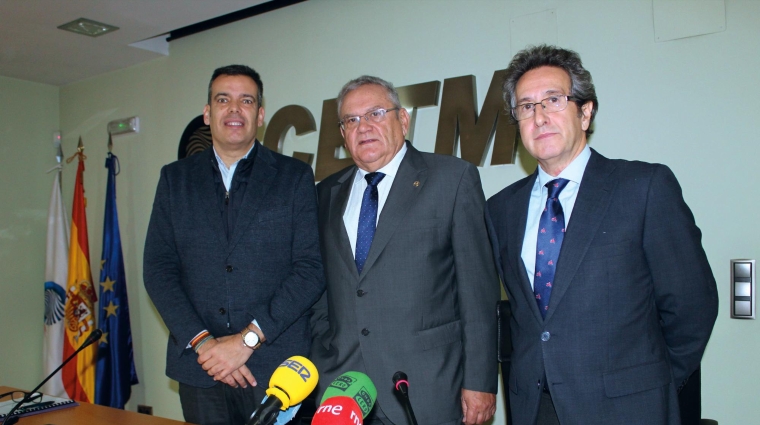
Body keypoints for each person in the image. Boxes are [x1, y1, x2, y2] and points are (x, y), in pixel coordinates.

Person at [486, 45, 718, 425]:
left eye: (553, 100)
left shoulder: (643, 187)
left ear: (585, 111)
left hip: (629, 409)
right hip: (535, 409)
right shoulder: (500, 209)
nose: (539, 116)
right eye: (526, 106)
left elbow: (693, 305)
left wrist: (652, 385)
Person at [310, 75, 500, 425]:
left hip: (428, 388)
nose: (363, 126)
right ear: (342, 134)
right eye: (351, 120)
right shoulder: (325, 194)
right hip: (343, 390)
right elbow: (321, 291)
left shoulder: (452, 179)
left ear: (404, 120)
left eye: (376, 113)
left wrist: (480, 381)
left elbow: (478, 291)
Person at [143, 64, 325, 425]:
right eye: (222, 99)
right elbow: (159, 270)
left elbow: (310, 270)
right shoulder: (174, 179)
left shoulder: (294, 177)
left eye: (246, 100)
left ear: (259, 115)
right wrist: (206, 345)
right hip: (202, 369)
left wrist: (246, 342)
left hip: (277, 371)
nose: (234, 109)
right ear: (208, 113)